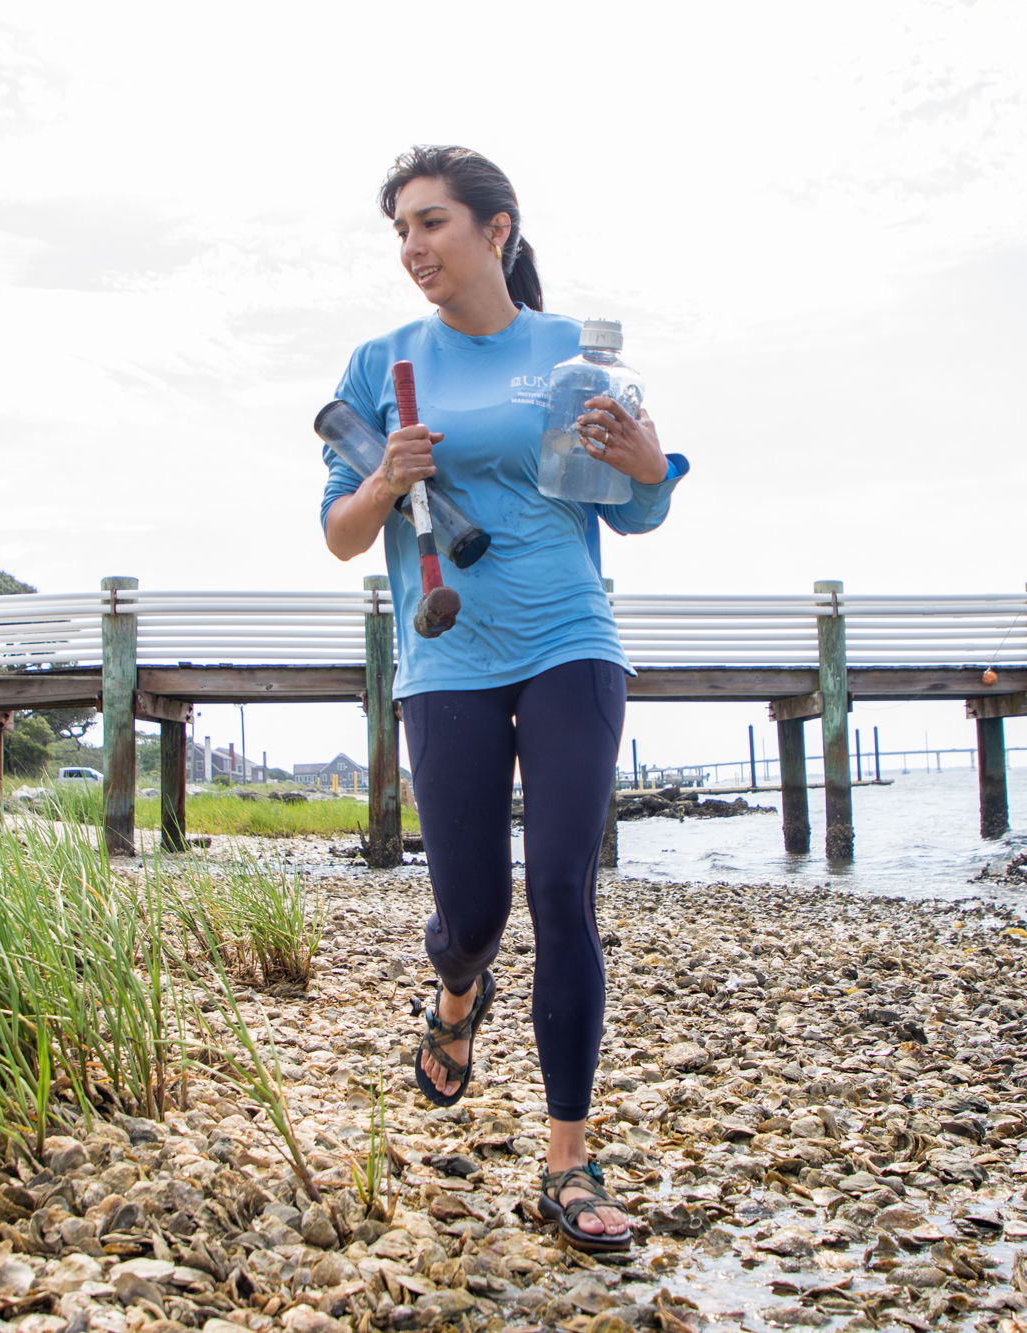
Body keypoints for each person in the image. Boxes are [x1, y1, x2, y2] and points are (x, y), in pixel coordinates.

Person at [319, 146, 689, 1252]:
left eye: (430, 222)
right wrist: (386, 477)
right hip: (447, 656)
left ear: (496, 229)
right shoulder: (381, 363)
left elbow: (636, 514)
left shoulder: (572, 353)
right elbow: (340, 535)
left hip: (571, 638)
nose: (412, 247)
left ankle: (568, 1163)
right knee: (472, 913)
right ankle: (453, 995)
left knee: (562, 890)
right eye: (400, 230)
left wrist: (646, 455)